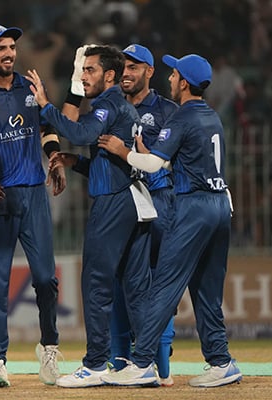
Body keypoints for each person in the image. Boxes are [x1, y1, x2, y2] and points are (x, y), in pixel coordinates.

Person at [98, 53, 243, 388]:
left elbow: (150, 167)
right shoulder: (211, 117)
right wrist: (147, 154)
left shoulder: (182, 117)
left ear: (185, 82)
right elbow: (173, 162)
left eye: (174, 74)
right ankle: (221, 362)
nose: (170, 79)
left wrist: (124, 152)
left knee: (164, 285)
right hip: (221, 204)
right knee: (206, 289)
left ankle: (142, 362)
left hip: (193, 208)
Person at [26, 45, 153, 388]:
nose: (84, 76)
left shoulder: (110, 104)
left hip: (114, 203)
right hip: (129, 199)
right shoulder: (113, 108)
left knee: (95, 282)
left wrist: (44, 106)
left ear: (109, 75)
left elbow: (79, 133)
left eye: (90, 70)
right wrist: (76, 162)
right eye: (83, 70)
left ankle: (96, 364)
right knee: (132, 284)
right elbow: (106, 160)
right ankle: (144, 363)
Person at [0, 24, 65, 388]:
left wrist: (54, 156)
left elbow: (45, 128)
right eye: (0, 48)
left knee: (46, 279)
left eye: (12, 47)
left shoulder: (28, 88)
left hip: (34, 195)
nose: (9, 53)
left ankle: (49, 346)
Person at [106, 43, 179, 386]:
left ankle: (160, 363)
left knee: (158, 284)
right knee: (118, 281)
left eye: (134, 67)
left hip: (160, 202)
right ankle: (119, 361)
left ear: (149, 72)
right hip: (121, 203)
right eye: (123, 67)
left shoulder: (167, 111)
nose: (127, 73)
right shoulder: (110, 108)